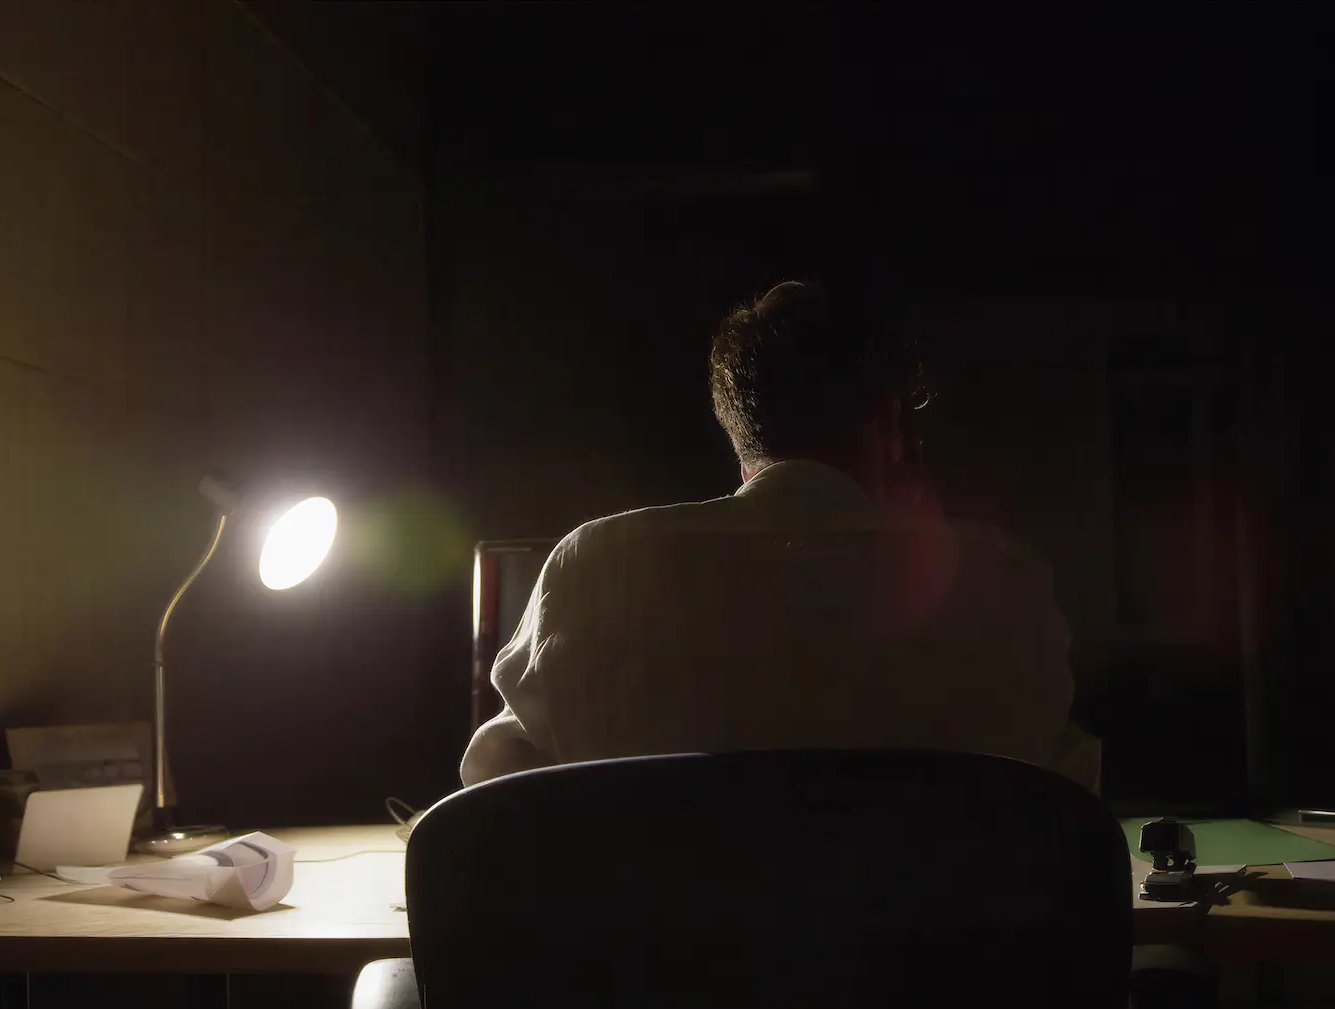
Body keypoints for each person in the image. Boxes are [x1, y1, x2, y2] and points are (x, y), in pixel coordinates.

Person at [459, 280, 1099, 792]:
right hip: (934, 957)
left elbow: (496, 789)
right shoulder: (1003, 582)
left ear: (741, 439)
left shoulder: (594, 566)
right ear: (892, 428)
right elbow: (1062, 804)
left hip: (657, 954)